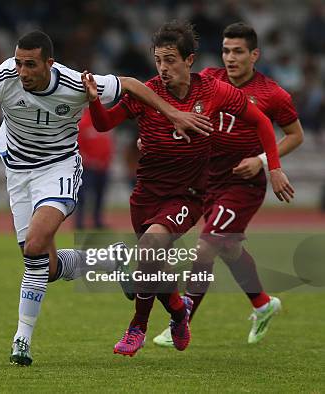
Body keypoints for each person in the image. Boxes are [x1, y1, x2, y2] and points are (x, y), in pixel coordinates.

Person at [0, 30, 212, 366]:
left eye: (30, 64)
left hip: (58, 169)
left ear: (49, 63)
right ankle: (110, 260)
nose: (22, 71)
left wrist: (173, 113)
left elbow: (133, 85)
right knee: (46, 265)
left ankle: (22, 339)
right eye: (18, 63)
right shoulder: (1, 77)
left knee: (35, 245)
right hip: (18, 173)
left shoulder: (75, 82)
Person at [84, 21, 294, 357]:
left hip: (189, 194)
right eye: (158, 60)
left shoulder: (212, 91)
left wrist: (274, 167)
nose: (163, 68)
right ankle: (180, 312)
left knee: (158, 246)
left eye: (170, 60)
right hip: (146, 194)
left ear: (189, 60)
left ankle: (137, 327)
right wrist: (95, 101)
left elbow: (260, 122)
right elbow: (103, 123)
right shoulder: (147, 92)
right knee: (154, 264)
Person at [152, 22, 304, 348]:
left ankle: (180, 322)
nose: (230, 58)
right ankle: (263, 304)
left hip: (243, 183)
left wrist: (264, 162)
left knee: (207, 246)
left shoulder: (273, 94)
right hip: (207, 179)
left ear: (254, 55)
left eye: (237, 51)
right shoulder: (209, 79)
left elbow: (295, 135)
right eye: (225, 50)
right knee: (229, 247)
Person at [75, 109, 114, 230]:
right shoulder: (83, 123)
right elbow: (78, 146)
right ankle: (79, 222)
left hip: (103, 167)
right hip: (87, 168)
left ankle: (97, 221)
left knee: (100, 195)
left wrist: (106, 161)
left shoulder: (104, 123)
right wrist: (88, 161)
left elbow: (108, 145)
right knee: (83, 196)